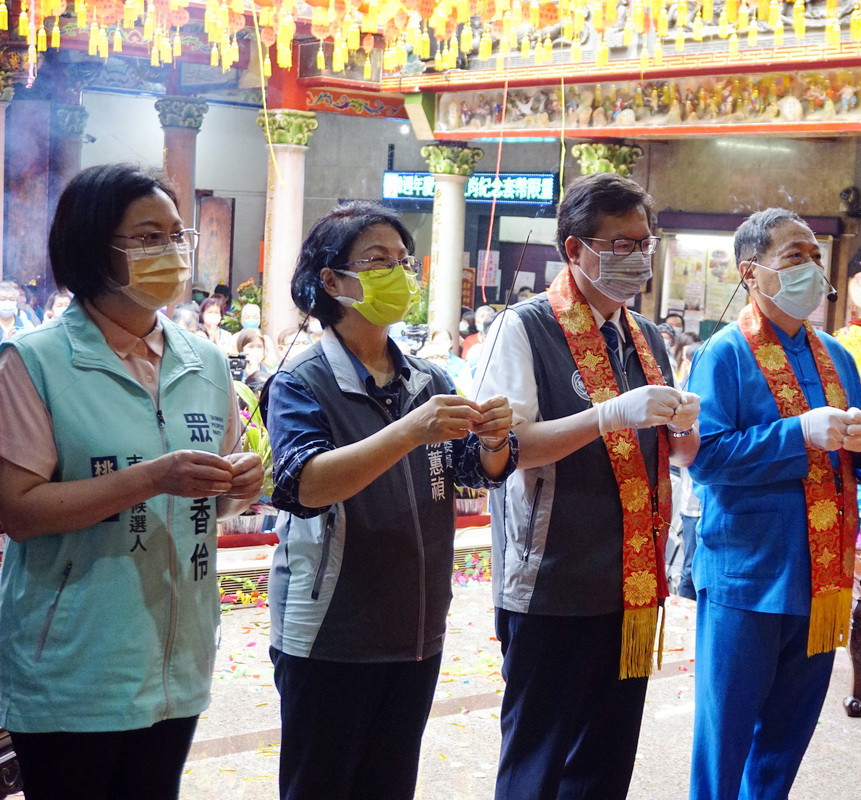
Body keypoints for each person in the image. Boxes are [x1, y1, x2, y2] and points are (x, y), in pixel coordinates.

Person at [0, 162, 264, 799]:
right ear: (94, 248)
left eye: (177, 235)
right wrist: (152, 478)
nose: (171, 251)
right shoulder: (34, 362)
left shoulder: (204, 360)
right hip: (73, 664)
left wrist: (238, 485)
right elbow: (18, 512)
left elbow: (213, 500)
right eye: (148, 237)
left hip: (177, 658)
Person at [264, 200, 517, 800]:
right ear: (330, 280)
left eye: (404, 263)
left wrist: (496, 442)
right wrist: (408, 430)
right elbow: (305, 485)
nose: (397, 276)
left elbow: (471, 474)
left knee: (389, 785)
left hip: (416, 625)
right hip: (331, 629)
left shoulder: (427, 379)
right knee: (322, 785)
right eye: (377, 261)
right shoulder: (302, 382)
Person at [474, 172, 701, 800]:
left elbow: (677, 455)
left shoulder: (645, 335)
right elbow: (505, 448)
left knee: (604, 763)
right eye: (621, 245)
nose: (637, 258)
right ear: (575, 250)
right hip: (553, 577)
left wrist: (684, 425)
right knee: (537, 759)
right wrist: (608, 415)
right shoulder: (522, 328)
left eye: (644, 244)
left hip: (630, 582)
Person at [686, 208, 861, 800]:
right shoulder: (724, 354)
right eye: (794, 257)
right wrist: (798, 434)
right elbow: (706, 458)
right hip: (749, 574)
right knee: (725, 736)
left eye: (816, 257)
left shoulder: (836, 356)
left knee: (788, 736)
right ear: (752, 272)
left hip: (821, 578)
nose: (810, 269)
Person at [234, 327, 273, 394]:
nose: (255, 351)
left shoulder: (269, 373)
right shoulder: (237, 373)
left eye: (259, 346)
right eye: (251, 347)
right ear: (241, 349)